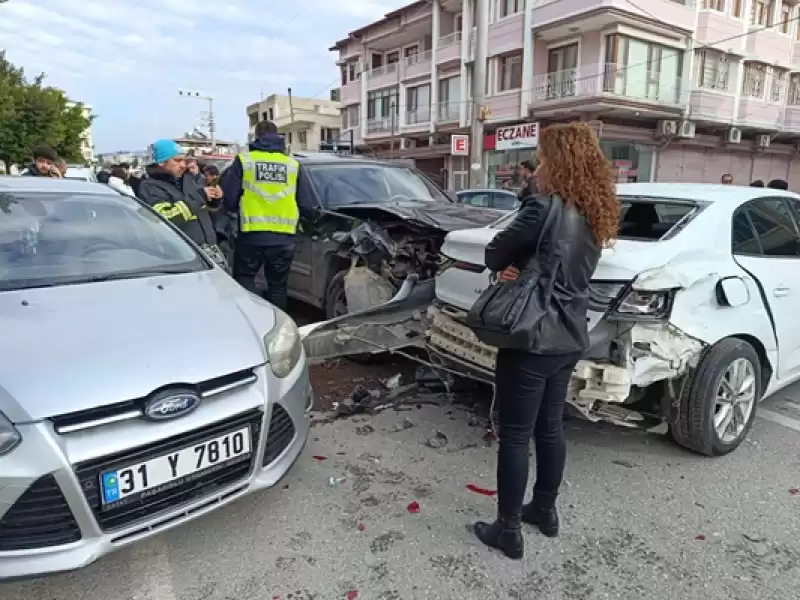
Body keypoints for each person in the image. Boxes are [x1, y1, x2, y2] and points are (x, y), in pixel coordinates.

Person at [471, 123, 620, 560]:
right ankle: (545, 511)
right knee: (550, 428)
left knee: (515, 435)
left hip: (532, 334)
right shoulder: (598, 209)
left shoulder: (542, 206)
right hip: (571, 333)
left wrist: (515, 261)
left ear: (554, 159)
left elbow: (494, 253)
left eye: (542, 156)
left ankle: (508, 529)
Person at [220, 120, 314, 309]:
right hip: (283, 239)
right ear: (277, 136)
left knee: (245, 282)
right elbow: (307, 205)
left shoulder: (245, 161)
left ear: (256, 137)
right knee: (278, 287)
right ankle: (278, 329)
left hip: (251, 237)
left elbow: (229, 200)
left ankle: (250, 325)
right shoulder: (292, 165)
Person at [137, 139, 229, 270]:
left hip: (208, 250)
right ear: (161, 162)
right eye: (177, 160)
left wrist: (214, 199)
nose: (183, 165)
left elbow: (202, 209)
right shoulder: (151, 187)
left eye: (184, 161)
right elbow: (165, 218)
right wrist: (200, 196)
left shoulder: (187, 179)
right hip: (181, 257)